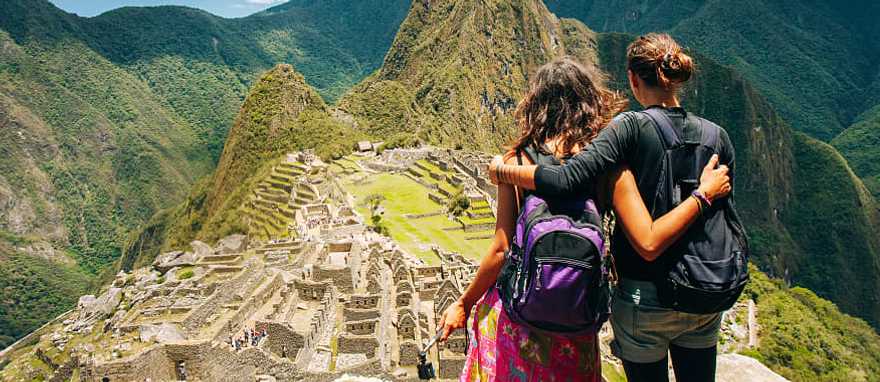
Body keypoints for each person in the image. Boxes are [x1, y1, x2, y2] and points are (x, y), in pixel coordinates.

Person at [438, 54, 731, 381]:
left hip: (521, 315)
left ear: (535, 103)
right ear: (589, 102)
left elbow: (500, 249)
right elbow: (642, 231)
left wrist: (464, 303)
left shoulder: (516, 161)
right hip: (576, 313)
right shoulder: (608, 165)